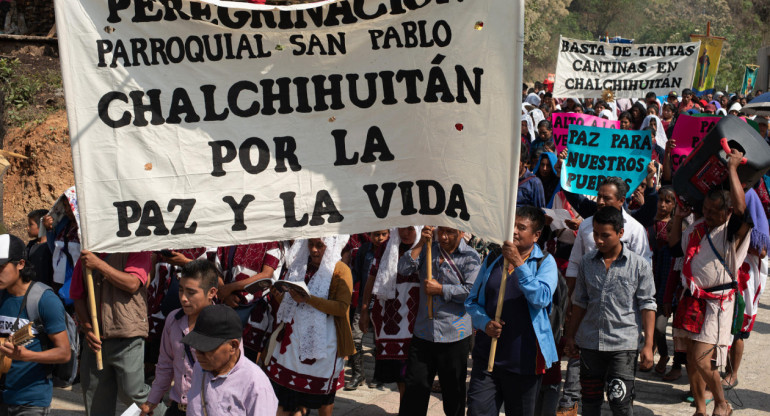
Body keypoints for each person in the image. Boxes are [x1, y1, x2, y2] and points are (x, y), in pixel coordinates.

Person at [556, 177, 652, 416]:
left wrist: (648, 344)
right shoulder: (588, 261)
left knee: (620, 403)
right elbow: (580, 301)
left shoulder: (638, 260)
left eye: (605, 236)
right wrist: (570, 335)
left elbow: (647, 302)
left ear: (621, 233)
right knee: (590, 402)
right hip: (590, 343)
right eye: (596, 235)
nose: (598, 240)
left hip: (623, 342)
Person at [668, 148, 750, 416]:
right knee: (692, 358)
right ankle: (701, 410)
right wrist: (679, 218)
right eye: (705, 210)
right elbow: (673, 249)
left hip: (716, 304)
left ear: (726, 212)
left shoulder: (730, 231)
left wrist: (733, 169)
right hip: (690, 298)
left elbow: (741, 210)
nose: (709, 215)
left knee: (704, 359)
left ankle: (722, 404)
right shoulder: (698, 227)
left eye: (714, 212)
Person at [465, 207, 559, 416]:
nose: (514, 231)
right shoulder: (493, 258)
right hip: (488, 358)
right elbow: (471, 302)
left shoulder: (545, 262)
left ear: (536, 235)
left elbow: (541, 298)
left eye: (521, 227)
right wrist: (484, 323)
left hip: (524, 361)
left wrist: (518, 262)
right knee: (478, 410)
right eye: (512, 226)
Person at [265, 236, 354, 416]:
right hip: (292, 343)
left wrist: (309, 300)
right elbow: (294, 304)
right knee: (286, 397)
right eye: (311, 244)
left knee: (322, 400)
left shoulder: (340, 270)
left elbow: (341, 307)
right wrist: (279, 296)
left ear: (330, 245)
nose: (314, 249)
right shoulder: (300, 265)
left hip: (324, 343)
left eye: (320, 245)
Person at [398, 226, 480, 416]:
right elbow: (403, 268)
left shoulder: (471, 256)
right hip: (424, 332)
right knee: (414, 390)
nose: (443, 236)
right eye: (440, 231)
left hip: (455, 334)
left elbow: (471, 292)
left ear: (461, 232)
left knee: (454, 394)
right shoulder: (428, 248)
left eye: (450, 232)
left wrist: (441, 289)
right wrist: (420, 242)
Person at [71, 249, 154, 416]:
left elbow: (132, 283)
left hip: (127, 337)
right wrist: (88, 329)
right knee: (95, 398)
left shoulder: (137, 249)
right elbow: (77, 296)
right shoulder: (86, 256)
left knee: (133, 393)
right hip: (95, 341)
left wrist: (99, 265)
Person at [0, 234, 70, 415]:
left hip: (31, 401)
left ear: (21, 264)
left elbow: (64, 353)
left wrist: (27, 355)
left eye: (1, 267)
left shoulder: (45, 300)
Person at [140, 259, 219, 416]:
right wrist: (152, 401)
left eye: (191, 293)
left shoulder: (223, 325)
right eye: (181, 290)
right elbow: (165, 364)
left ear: (211, 293)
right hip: (177, 409)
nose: (183, 298)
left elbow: (232, 375)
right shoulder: (172, 319)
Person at [360, 226, 422, 398]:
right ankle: (406, 408)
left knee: (414, 369)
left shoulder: (427, 246)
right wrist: (365, 310)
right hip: (390, 317)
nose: (405, 233)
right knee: (400, 370)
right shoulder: (387, 247)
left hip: (416, 317)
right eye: (401, 228)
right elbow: (371, 278)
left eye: (410, 229)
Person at [183, 304, 278, 415]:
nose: (198, 354)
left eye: (206, 348)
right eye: (196, 346)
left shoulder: (256, 385)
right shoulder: (200, 368)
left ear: (233, 346)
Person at [347, 229, 389, 390]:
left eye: (383, 234)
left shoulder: (391, 251)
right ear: (370, 235)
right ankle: (358, 374)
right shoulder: (364, 250)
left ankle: (379, 376)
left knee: (379, 341)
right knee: (355, 338)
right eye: (376, 234)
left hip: (383, 304)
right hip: (363, 303)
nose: (380, 238)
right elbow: (356, 274)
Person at [25, 209, 53, 287]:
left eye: (30, 224)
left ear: (41, 225)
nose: (27, 228)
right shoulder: (30, 245)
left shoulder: (51, 246)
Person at [518, 142, 546, 209]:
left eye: (515, 162)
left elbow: (539, 210)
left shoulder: (534, 183)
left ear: (525, 163)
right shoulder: (502, 179)